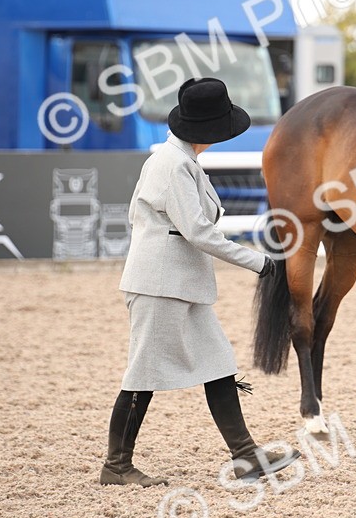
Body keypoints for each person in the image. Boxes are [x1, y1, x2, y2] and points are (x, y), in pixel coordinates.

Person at [101, 77, 300, 487]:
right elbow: (198, 232)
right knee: (142, 374)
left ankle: (245, 456)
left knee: (218, 364)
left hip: (180, 285)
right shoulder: (173, 165)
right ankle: (116, 465)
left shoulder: (181, 161)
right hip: (159, 286)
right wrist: (262, 263)